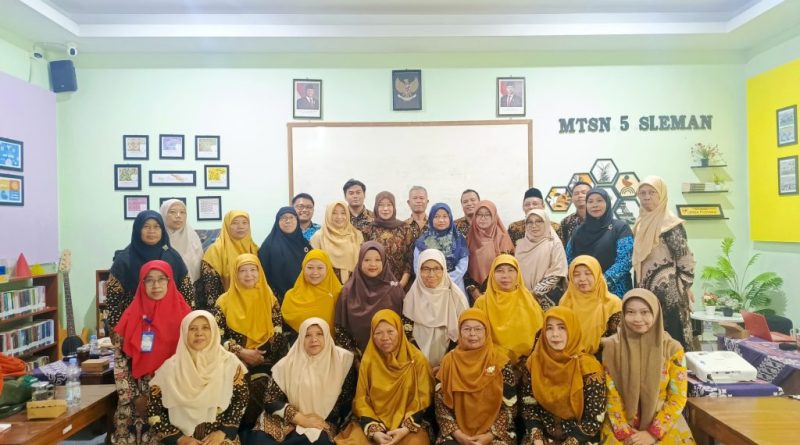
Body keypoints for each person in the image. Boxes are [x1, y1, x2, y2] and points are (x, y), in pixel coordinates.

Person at [112, 260, 192, 445]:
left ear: (170, 282)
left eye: (162, 279)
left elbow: (194, 357)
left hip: (176, 394)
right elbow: (119, 361)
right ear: (142, 283)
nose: (156, 285)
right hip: (138, 396)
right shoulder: (129, 316)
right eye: (149, 280)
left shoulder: (186, 317)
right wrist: (134, 397)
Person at [601, 289, 695, 445]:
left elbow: (677, 397)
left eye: (645, 312)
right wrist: (624, 431)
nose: (637, 319)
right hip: (621, 421)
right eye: (630, 312)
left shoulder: (672, 348)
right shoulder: (612, 346)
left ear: (656, 313)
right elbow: (611, 394)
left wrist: (653, 433)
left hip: (663, 421)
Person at [148, 310, 248, 445]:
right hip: (180, 439)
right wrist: (179, 439)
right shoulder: (169, 368)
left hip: (219, 439)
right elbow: (153, 409)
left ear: (214, 331)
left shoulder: (229, 363)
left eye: (205, 328)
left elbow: (241, 399)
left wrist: (223, 432)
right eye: (192, 329)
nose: (199, 333)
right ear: (184, 333)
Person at [250, 318, 356, 445]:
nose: (314, 339)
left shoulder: (342, 361)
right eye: (307, 335)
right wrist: (302, 419)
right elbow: (270, 400)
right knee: (261, 440)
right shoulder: (286, 364)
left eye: (319, 334)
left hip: (322, 420)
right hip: (287, 418)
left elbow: (347, 401)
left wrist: (332, 423)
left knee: (319, 441)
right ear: (300, 339)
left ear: (327, 336)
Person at [334, 310, 433, 445]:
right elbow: (361, 399)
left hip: (408, 426)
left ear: (400, 331)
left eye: (390, 331)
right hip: (374, 421)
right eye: (378, 333)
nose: (385, 337)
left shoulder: (417, 360)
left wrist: (405, 429)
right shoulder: (369, 361)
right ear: (372, 335)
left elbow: (424, 399)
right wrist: (375, 431)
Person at [213, 254, 289, 430]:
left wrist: (260, 356)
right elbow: (217, 336)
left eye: (253, 270)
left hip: (267, 359)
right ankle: (236, 431)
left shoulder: (269, 296)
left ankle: (261, 430)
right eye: (242, 271)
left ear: (259, 272)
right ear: (235, 274)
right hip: (233, 360)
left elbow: (277, 329)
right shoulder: (223, 301)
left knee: (263, 384)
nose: (248, 275)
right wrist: (241, 352)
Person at [521, 307, 606, 445]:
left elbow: (594, 418)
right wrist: (537, 438)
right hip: (542, 437)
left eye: (562, 328)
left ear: (572, 330)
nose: (555, 334)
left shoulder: (589, 367)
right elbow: (529, 405)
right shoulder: (534, 362)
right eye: (549, 328)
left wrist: (570, 442)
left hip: (580, 439)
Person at [434, 308, 517, 445]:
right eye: (467, 329)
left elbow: (510, 405)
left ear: (486, 331)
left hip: (495, 433)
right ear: (460, 332)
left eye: (478, 329)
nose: (472, 334)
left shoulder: (500, 362)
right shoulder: (449, 361)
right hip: (456, 432)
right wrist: (458, 434)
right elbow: (440, 404)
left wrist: (490, 435)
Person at [633, 176, 696, 349]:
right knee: (650, 340)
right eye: (642, 193)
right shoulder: (640, 223)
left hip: (670, 296)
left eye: (652, 192)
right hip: (645, 290)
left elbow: (685, 259)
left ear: (661, 195)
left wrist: (682, 288)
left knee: (673, 340)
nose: (646, 197)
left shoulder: (671, 225)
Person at [107, 210, 195, 329]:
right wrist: (118, 330)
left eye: (156, 227)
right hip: (135, 324)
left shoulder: (173, 257)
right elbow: (113, 299)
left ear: (162, 230)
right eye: (146, 226)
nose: (151, 231)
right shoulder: (124, 260)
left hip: (171, 325)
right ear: (138, 230)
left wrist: (188, 324)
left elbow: (187, 293)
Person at [333, 241, 408, 356]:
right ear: (360, 262)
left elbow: (405, 324)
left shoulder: (395, 290)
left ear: (384, 262)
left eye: (378, 260)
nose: (372, 264)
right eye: (367, 260)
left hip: (392, 355)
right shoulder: (348, 292)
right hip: (358, 358)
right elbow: (341, 330)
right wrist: (355, 358)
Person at [403, 249, 469, 368]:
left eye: (437, 269)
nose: (431, 274)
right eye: (426, 269)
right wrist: (419, 361)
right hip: (416, 362)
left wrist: (445, 363)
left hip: (450, 362)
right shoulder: (411, 297)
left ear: (444, 270)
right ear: (419, 270)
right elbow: (406, 332)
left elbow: (465, 333)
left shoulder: (456, 297)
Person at [473, 255, 544, 364]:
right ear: (492, 274)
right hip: (493, 361)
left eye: (511, 270)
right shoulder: (482, 303)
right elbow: (475, 335)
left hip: (529, 361)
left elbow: (541, 333)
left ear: (518, 274)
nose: (505, 276)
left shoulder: (529, 300)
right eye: (500, 271)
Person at [567, 188, 633, 296]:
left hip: (614, 290)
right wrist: (582, 280)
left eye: (599, 200)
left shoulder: (620, 227)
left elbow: (625, 261)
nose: (595, 205)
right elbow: (570, 259)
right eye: (590, 201)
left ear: (607, 203)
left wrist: (600, 281)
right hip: (584, 288)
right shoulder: (578, 231)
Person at [559, 256, 622, 356]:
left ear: (597, 275)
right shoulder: (565, 301)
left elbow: (617, 340)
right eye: (576, 275)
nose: (582, 279)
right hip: (571, 358)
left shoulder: (613, 302)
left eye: (588, 273)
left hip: (603, 358)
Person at [201, 210, 260, 308]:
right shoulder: (215, 250)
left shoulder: (254, 248)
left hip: (253, 304)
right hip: (226, 305)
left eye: (244, 222)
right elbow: (210, 287)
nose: (240, 226)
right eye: (235, 223)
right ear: (227, 225)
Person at [281, 250, 342, 341]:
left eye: (320, 268)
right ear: (303, 268)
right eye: (310, 267)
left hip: (332, 345)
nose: (315, 272)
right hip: (300, 345)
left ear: (328, 269)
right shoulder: (291, 296)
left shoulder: (339, 293)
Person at [515, 209, 568, 310]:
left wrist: (535, 292)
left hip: (547, 298)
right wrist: (522, 293)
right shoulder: (520, 245)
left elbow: (557, 273)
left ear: (546, 222)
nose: (534, 225)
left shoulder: (554, 244)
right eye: (530, 222)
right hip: (521, 298)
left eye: (539, 221)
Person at [413, 203, 470, 296]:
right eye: (436, 216)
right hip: (429, 287)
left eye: (445, 216)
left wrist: (446, 282)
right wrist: (432, 281)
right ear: (431, 219)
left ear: (450, 218)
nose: (441, 220)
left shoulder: (459, 239)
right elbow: (417, 265)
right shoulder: (423, 241)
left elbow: (462, 266)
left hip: (454, 286)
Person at [362, 191, 415, 288]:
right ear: (376, 208)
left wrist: (402, 283)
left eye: (389, 205)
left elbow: (410, 258)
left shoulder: (405, 228)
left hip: (400, 284)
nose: (385, 209)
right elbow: (364, 259)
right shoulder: (368, 230)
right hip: (374, 285)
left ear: (394, 207)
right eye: (381, 205)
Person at [258, 207, 311, 303]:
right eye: (283, 218)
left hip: (305, 295)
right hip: (278, 298)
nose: (288, 221)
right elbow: (262, 275)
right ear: (277, 221)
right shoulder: (268, 246)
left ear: (297, 220)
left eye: (291, 217)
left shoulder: (304, 243)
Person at [466, 200, 515, 300]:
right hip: (474, 293)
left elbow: (509, 268)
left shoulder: (503, 238)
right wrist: (473, 290)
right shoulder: (469, 238)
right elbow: (464, 268)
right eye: (479, 214)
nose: (483, 218)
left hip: (500, 291)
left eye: (487, 215)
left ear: (494, 216)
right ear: (474, 216)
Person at [310, 201, 364, 283]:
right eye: (334, 213)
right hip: (327, 283)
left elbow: (362, 261)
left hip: (353, 283)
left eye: (343, 213)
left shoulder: (356, 235)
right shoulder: (318, 237)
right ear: (328, 215)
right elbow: (314, 264)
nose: (339, 217)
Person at [159, 199, 204, 286]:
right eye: (172, 212)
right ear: (163, 214)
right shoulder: (157, 237)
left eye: (182, 212)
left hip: (192, 287)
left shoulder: (193, 237)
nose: (178, 216)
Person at [559, 181, 592, 247]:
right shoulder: (565, 222)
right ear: (572, 198)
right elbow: (562, 247)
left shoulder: (600, 219)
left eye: (584, 193)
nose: (580, 196)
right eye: (576, 193)